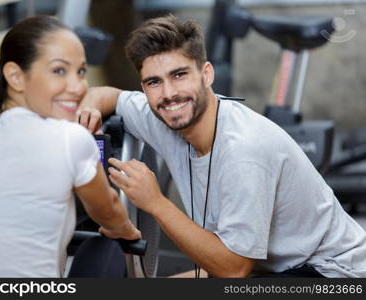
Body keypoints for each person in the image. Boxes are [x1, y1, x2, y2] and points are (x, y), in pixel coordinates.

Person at [78, 15, 366, 278]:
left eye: (180, 75)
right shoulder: (163, 115)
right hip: (270, 269)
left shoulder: (244, 152)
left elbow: (233, 271)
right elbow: (109, 96)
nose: (168, 93)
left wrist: (155, 203)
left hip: (333, 273)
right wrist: (88, 110)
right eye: (154, 82)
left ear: (206, 74)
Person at [0, 15, 140, 277]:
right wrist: (129, 232)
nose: (77, 87)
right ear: (15, 77)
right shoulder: (69, 138)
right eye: (59, 71)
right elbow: (109, 212)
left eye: (81, 71)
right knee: (110, 247)